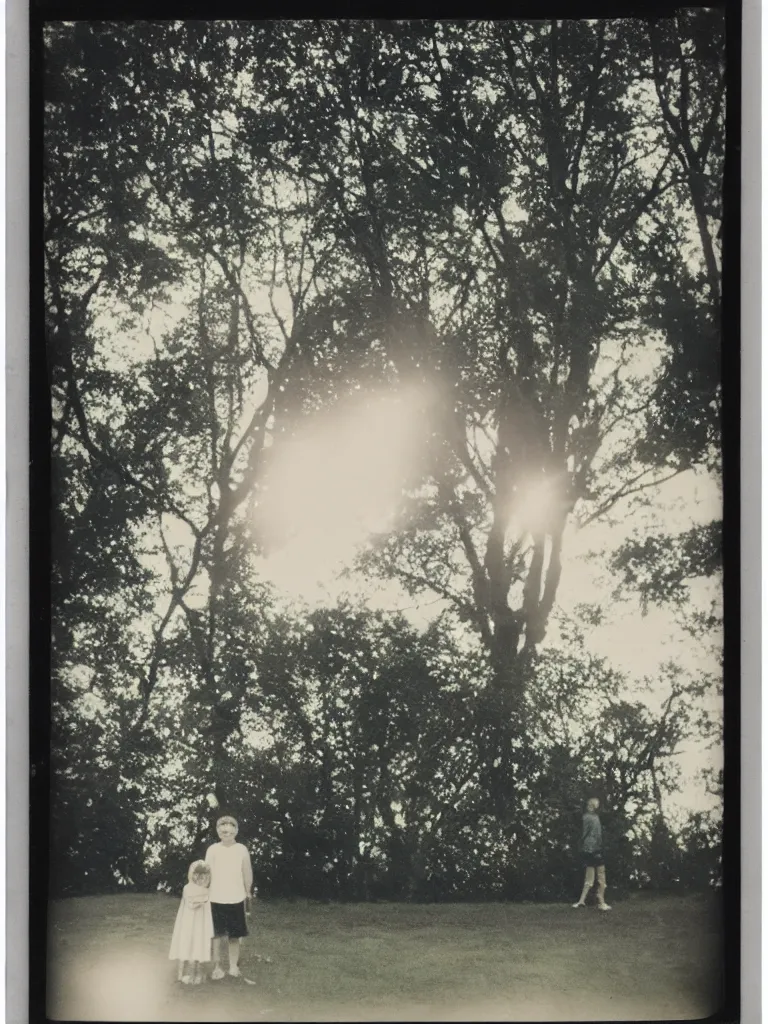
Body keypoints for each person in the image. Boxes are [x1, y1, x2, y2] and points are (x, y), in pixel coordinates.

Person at [205, 815, 254, 979]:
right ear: (218, 831)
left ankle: (233, 966)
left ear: (236, 831)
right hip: (215, 898)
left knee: (234, 935)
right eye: (222, 828)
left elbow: (247, 872)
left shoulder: (241, 849)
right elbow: (206, 874)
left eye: (230, 828)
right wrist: (204, 892)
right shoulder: (212, 849)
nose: (226, 831)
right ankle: (217, 967)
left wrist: (248, 892)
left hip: (236, 898)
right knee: (217, 935)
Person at [169, 860, 215, 984]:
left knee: (200, 942)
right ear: (192, 874)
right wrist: (200, 900)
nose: (200, 878)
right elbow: (191, 904)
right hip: (189, 920)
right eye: (196, 874)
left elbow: (205, 902)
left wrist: (203, 894)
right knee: (188, 942)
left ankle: (199, 973)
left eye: (203, 875)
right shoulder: (187, 888)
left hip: (201, 921)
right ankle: (188, 972)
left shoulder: (207, 890)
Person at [572, 797, 611, 911]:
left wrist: (582, 845)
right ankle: (601, 902)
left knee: (590, 877)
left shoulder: (586, 817)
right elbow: (597, 835)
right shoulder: (594, 818)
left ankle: (582, 901)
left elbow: (584, 834)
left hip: (588, 849)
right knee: (600, 877)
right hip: (595, 849)